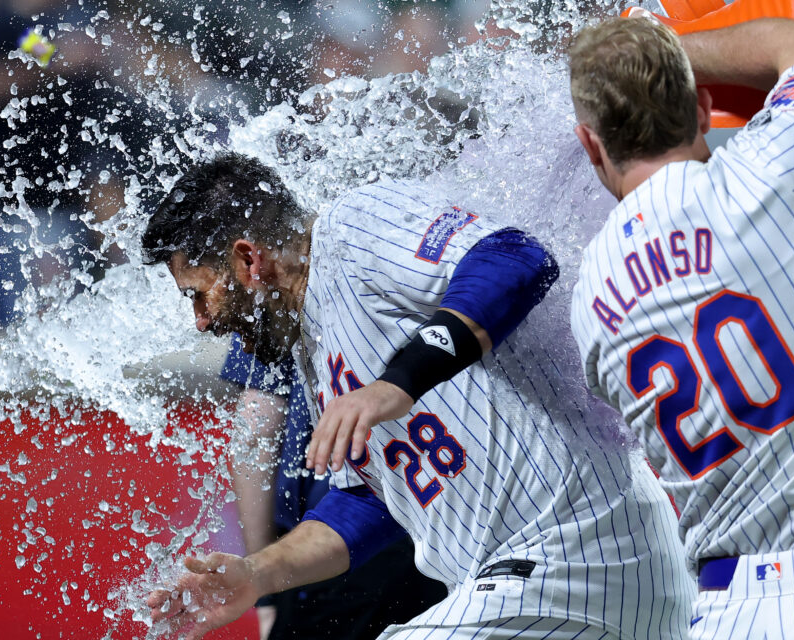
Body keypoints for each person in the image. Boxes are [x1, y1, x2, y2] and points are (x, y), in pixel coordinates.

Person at [142, 154, 691, 639]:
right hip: (545, 581)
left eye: (200, 293)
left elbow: (517, 258)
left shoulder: (351, 228)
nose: (200, 321)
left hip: (577, 549)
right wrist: (259, 572)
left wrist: (396, 383)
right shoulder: (311, 343)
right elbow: (373, 501)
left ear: (248, 260)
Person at [567, 16, 794, 637]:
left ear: (591, 144)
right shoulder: (773, 177)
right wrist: (661, 50)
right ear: (703, 104)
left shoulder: (588, 295)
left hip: (726, 612)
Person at [220, 336, 446, 640]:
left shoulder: (272, 300)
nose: (202, 321)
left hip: (332, 548)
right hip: (425, 529)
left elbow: (255, 428)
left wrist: (264, 588)